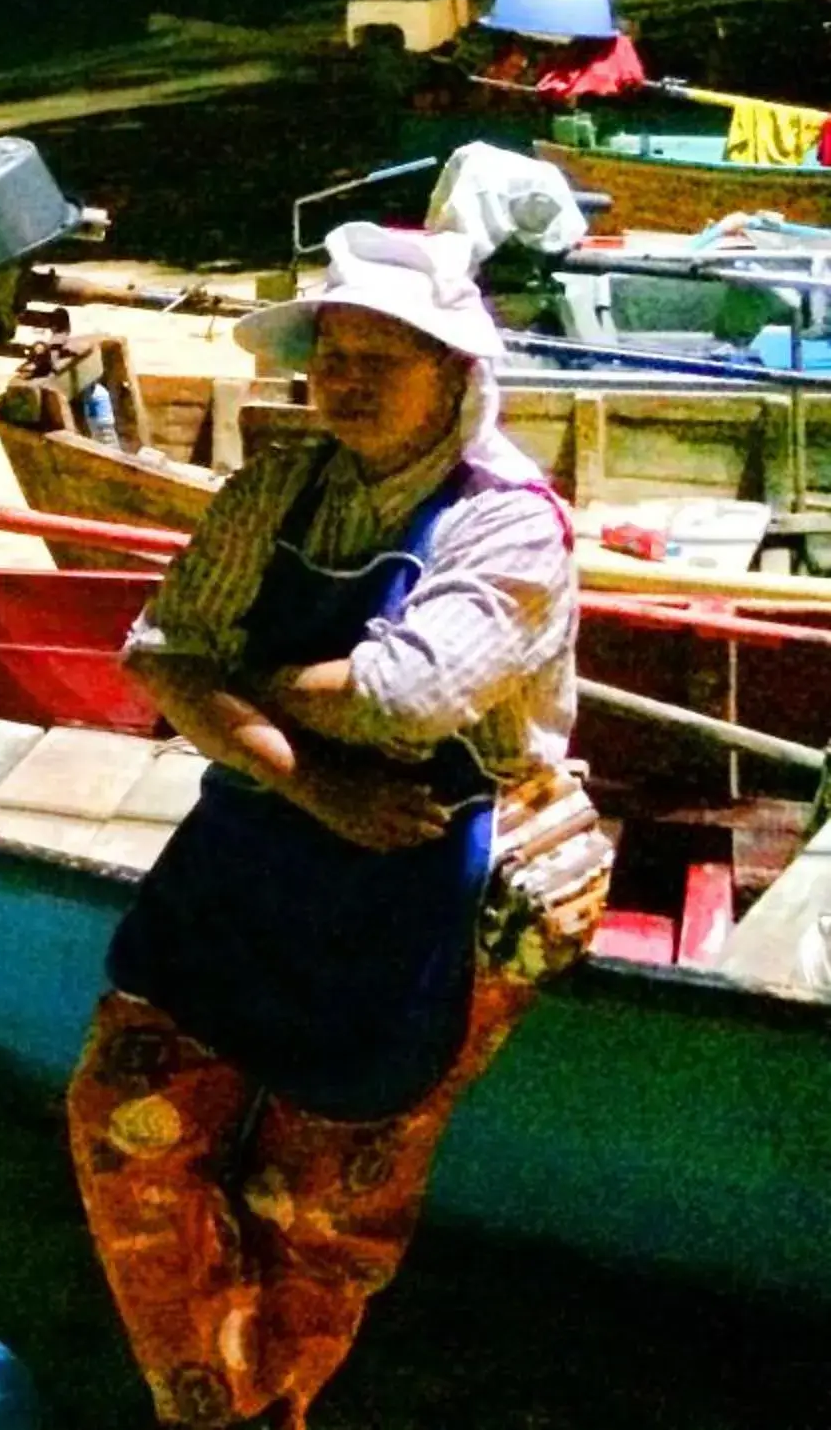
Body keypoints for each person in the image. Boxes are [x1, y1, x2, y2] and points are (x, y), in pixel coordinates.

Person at [67, 220, 589, 1429]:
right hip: (259, 842)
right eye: (331, 353)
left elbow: (408, 696)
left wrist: (237, 674)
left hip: (425, 878)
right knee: (123, 1128)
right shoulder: (277, 484)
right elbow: (155, 654)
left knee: (323, 1211)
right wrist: (309, 780)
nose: (342, 381)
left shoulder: (507, 523)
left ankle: (266, 1407)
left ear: (457, 375)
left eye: (379, 358)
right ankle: (215, 1404)